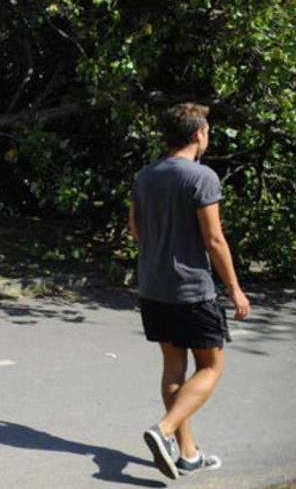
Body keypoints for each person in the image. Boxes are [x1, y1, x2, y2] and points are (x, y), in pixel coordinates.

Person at [128, 102, 250, 480]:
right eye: (208, 130)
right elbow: (214, 239)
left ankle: (188, 453)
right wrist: (234, 289)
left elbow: (136, 231)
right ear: (198, 134)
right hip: (191, 290)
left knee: (173, 367)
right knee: (211, 367)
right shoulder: (201, 177)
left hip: (153, 288)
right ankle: (164, 431)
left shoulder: (144, 176)